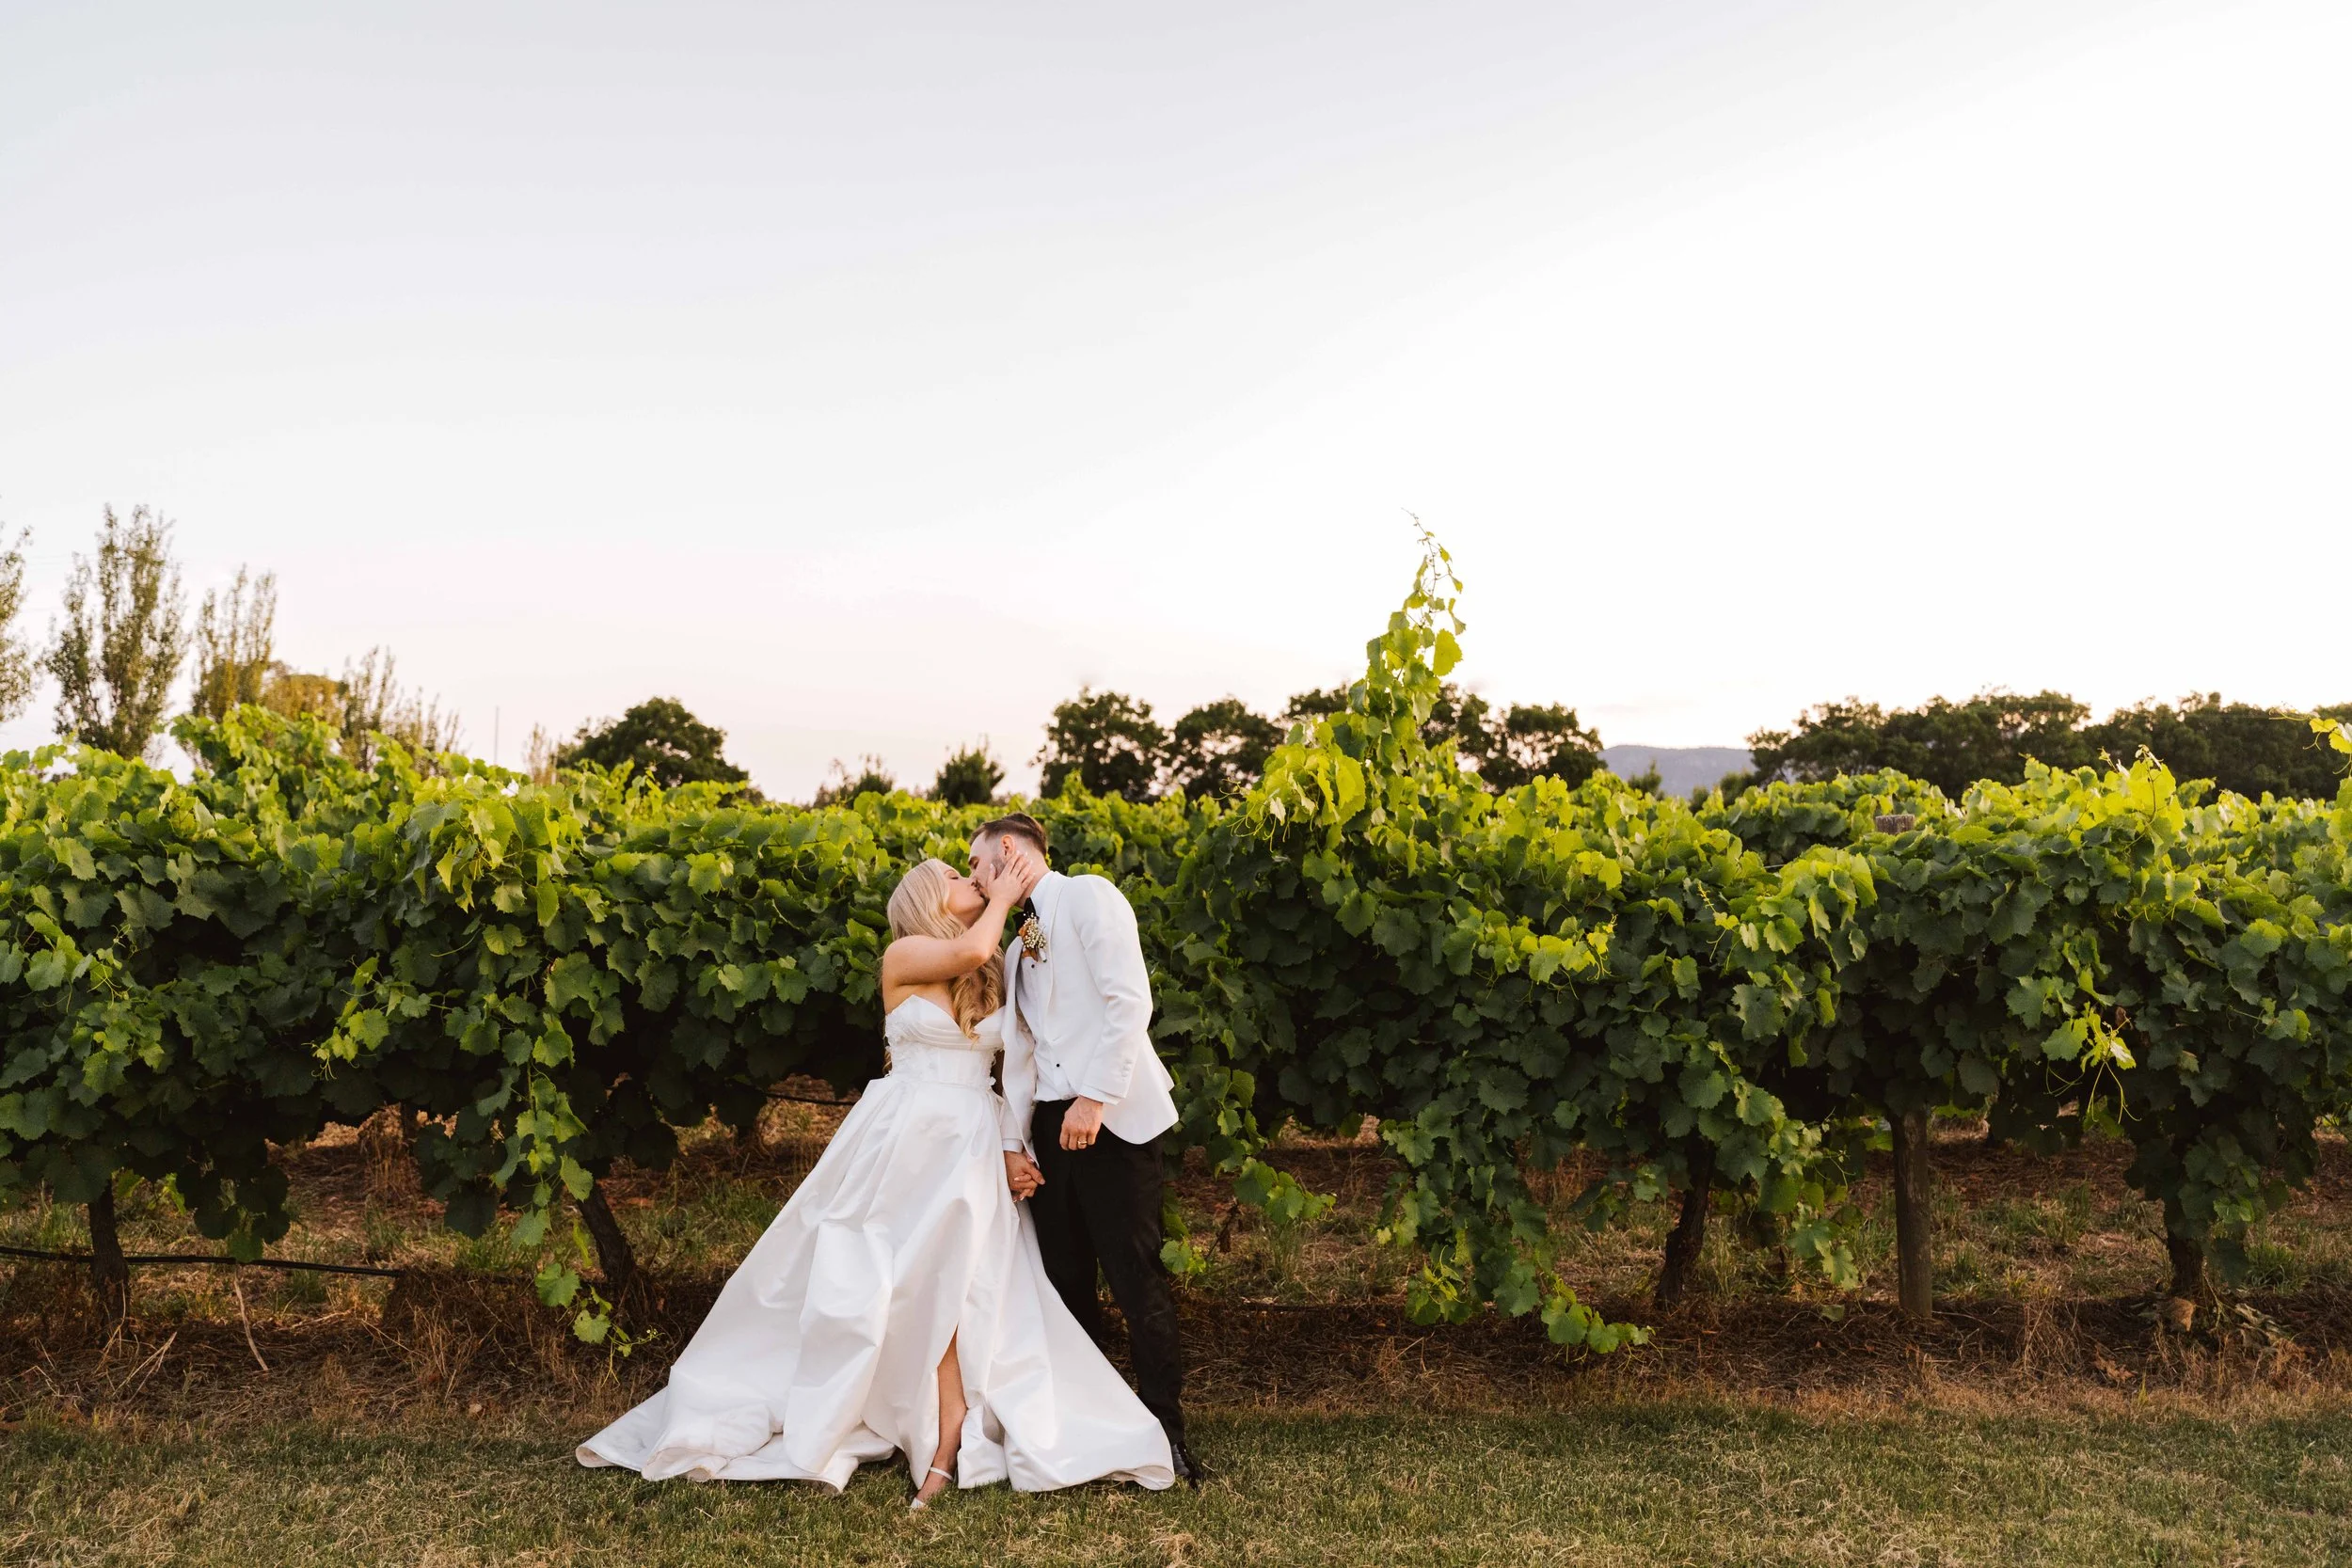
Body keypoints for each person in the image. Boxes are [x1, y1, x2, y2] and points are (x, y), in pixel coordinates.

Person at [577, 842, 1174, 1506]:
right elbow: (974, 949)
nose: (972, 876)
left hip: (971, 1136)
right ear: (925, 900)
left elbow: (1015, 1061)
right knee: (890, 1272)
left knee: (965, 1273)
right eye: (956, 876)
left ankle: (952, 1424)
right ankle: (913, 1416)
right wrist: (1007, 893)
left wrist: (1011, 1144)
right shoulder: (908, 953)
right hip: (909, 1134)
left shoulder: (994, 968)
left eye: (974, 869)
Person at [973, 812, 1201, 1483]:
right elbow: (1020, 1053)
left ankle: (1167, 1436)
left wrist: (1095, 1099)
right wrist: (1016, 1143)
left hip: (1114, 1122)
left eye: (978, 863)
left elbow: (1130, 1001)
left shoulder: (1091, 895)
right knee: (1066, 1285)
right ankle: (1094, 1431)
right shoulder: (1016, 945)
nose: (976, 876)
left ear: (1008, 851)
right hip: (1050, 1132)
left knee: (1137, 1282)